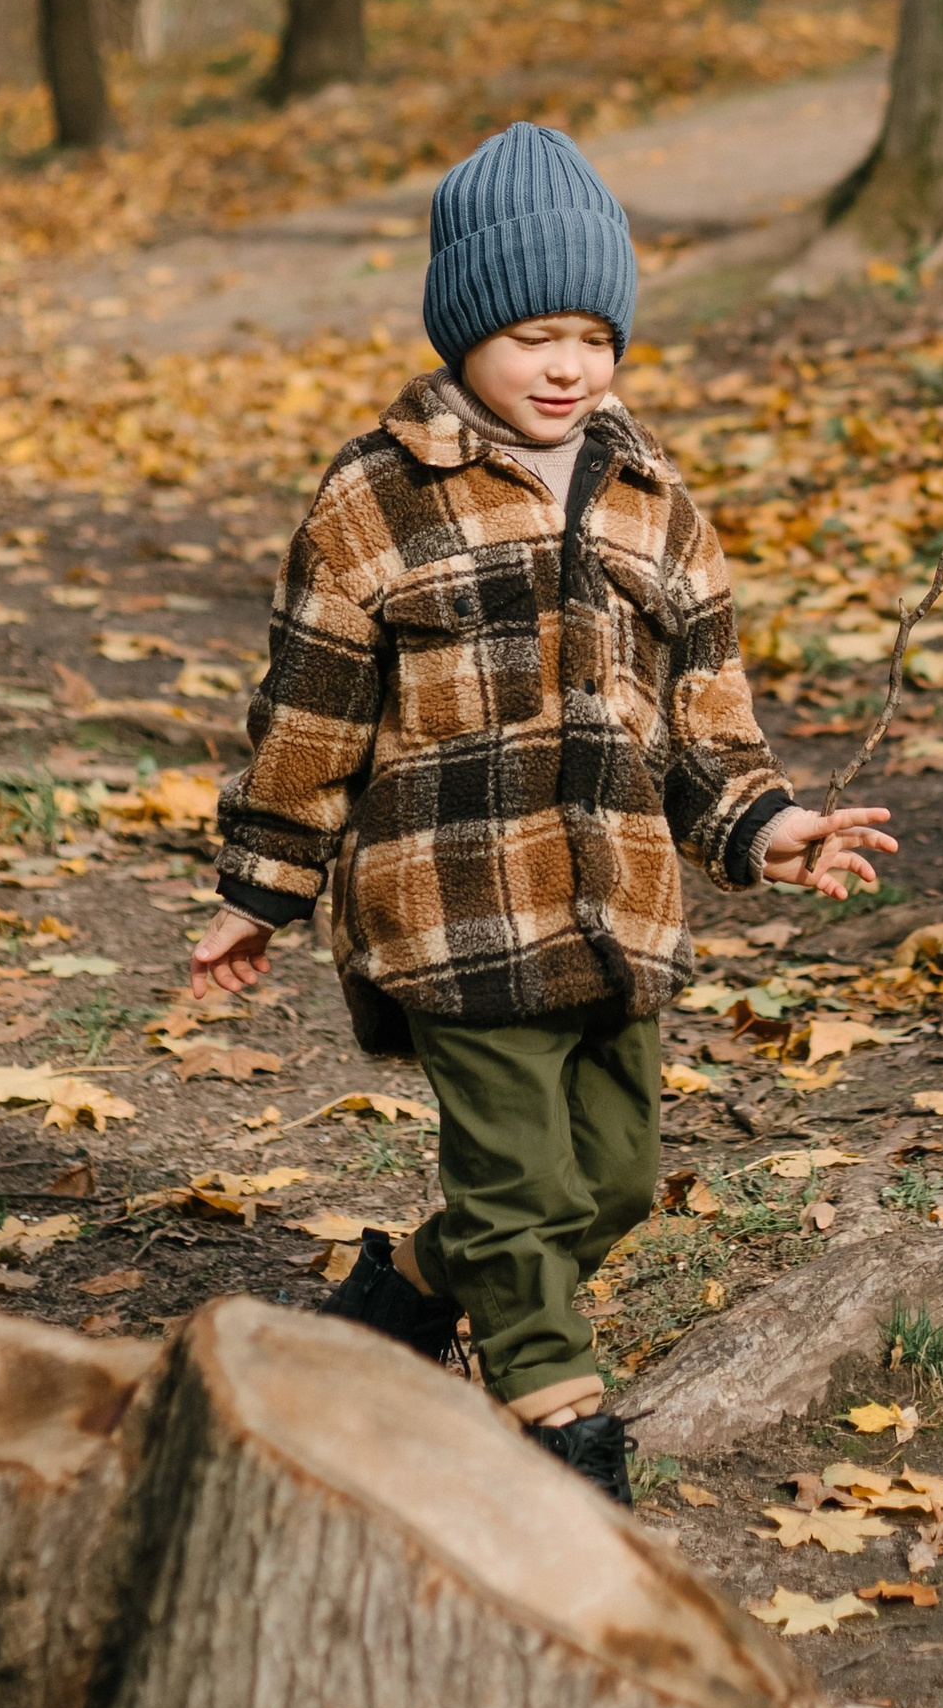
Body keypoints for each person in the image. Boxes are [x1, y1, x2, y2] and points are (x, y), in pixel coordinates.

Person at [187, 118, 891, 1500]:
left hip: (617, 907)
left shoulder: (653, 500)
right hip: (452, 909)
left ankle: (404, 1296)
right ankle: (557, 1431)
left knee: (610, 1183)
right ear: (464, 334)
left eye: (593, 336)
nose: (567, 365)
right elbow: (311, 710)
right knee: (520, 1190)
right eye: (531, 336)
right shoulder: (379, 496)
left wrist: (767, 827)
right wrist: (260, 888)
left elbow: (701, 718)